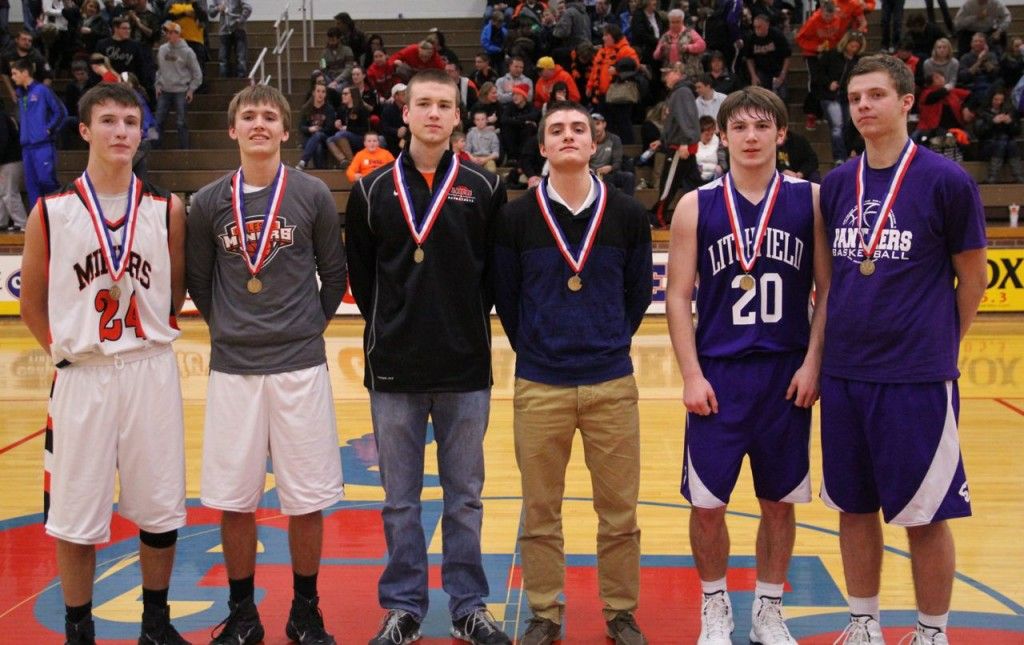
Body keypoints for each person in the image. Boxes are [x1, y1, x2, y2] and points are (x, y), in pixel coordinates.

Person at [819, 54, 988, 645]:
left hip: (916, 378)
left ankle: (931, 630)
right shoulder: (838, 184)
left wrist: (944, 342)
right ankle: (863, 621)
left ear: (906, 101)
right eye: (855, 96)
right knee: (854, 507)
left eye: (876, 95)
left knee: (926, 514)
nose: (863, 105)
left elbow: (974, 278)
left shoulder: (947, 180)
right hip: (844, 375)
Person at [344, 68, 511, 645]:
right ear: (405, 113)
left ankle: (468, 606)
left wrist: (459, 319)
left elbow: (493, 276)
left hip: (465, 366)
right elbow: (365, 281)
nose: (435, 113)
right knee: (400, 500)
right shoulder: (370, 189)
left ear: (458, 116)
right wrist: (397, 323)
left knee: (465, 498)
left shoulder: (484, 187)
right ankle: (404, 608)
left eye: (445, 104)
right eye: (424, 104)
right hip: (393, 367)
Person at [18, 82, 189, 645]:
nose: (121, 132)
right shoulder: (52, 211)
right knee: (75, 513)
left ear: (142, 132)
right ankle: (78, 629)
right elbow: (31, 305)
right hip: (84, 376)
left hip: (150, 368)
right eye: (109, 121)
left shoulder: (168, 210)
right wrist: (67, 352)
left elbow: (172, 297)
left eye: (131, 122)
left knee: (160, 507)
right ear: (86, 131)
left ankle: (155, 624)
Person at [665, 86, 829, 645]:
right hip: (720, 374)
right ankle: (715, 607)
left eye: (763, 127)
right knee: (708, 505)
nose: (752, 137)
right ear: (724, 136)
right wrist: (690, 374)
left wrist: (813, 364)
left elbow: (826, 293)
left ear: (781, 134)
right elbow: (678, 296)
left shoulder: (810, 199)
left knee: (778, 503)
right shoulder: (696, 204)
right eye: (741, 128)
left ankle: (768, 608)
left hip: (785, 373)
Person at [185, 83, 346, 645]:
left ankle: (305, 611)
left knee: (306, 499)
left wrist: (302, 329)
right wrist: (233, 329)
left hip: (300, 366)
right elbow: (200, 285)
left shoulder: (311, 195)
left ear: (284, 131)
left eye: (269, 116)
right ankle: (244, 613)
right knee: (234, 500)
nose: (259, 124)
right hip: (233, 369)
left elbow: (335, 276)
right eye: (248, 116)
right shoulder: (206, 203)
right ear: (232, 131)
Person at [492, 99, 652, 645]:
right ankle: (544, 611)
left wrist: (606, 341)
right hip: (540, 383)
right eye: (555, 130)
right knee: (540, 511)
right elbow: (508, 300)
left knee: (620, 513)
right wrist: (538, 348)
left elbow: (636, 296)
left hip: (611, 382)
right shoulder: (516, 216)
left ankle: (621, 611)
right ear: (542, 147)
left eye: (577, 129)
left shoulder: (627, 213)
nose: (567, 136)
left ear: (594, 142)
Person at [650, 63, 700, 228]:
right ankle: (703, 216)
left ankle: (658, 217)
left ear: (678, 73)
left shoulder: (681, 92)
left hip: (681, 147)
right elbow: (675, 121)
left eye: (668, 73)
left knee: (668, 185)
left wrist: (684, 142)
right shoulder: (680, 92)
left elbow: (685, 119)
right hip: (681, 144)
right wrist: (663, 140)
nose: (665, 78)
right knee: (695, 184)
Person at [11, 58, 65, 210]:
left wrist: (49, 129)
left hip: (43, 145)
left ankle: (60, 213)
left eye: (15, 73)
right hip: (27, 148)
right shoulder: (21, 96)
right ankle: (39, 223)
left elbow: (61, 112)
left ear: (25, 72)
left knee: (46, 180)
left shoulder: (42, 90)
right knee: (32, 186)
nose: (12, 77)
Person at [153, 20, 202, 150]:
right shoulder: (162, 49)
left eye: (170, 32)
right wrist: (157, 85)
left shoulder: (188, 52)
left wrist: (191, 89)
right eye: (166, 32)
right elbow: (159, 70)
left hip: (181, 89)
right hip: (164, 89)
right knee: (158, 121)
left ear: (177, 34)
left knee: (181, 122)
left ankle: (184, 149)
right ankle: (155, 149)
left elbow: (197, 73)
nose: (167, 35)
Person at [590, 111, 635, 196]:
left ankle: (627, 205)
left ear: (604, 124)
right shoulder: (586, 140)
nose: (595, 128)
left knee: (629, 177)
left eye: (598, 124)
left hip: (608, 174)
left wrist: (610, 167)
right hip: (590, 175)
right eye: (592, 125)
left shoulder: (614, 139)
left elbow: (618, 161)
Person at [209, 0, 251, 78]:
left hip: (238, 29)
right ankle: (223, 83)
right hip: (224, 30)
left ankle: (241, 82)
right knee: (223, 59)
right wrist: (218, 8)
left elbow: (248, 8)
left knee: (241, 58)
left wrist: (240, 20)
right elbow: (211, 13)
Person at [466, 108, 501, 172]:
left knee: (491, 169)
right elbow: (466, 151)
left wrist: (485, 159)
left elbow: (496, 153)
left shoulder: (492, 135)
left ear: (486, 120)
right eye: (478, 120)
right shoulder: (470, 134)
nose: (480, 122)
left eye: (483, 119)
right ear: (474, 121)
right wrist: (473, 159)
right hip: (474, 157)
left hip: (488, 158)